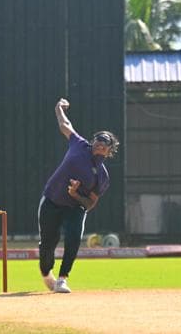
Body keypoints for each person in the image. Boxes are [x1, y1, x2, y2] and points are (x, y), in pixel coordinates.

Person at [38, 98, 119, 293]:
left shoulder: (102, 176)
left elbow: (91, 204)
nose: (100, 146)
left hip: (76, 207)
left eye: (104, 145)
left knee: (73, 238)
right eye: (98, 142)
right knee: (48, 243)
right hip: (51, 200)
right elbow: (65, 125)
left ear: (109, 151)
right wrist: (58, 108)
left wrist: (75, 195)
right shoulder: (79, 145)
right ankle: (46, 272)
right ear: (93, 142)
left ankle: (63, 278)